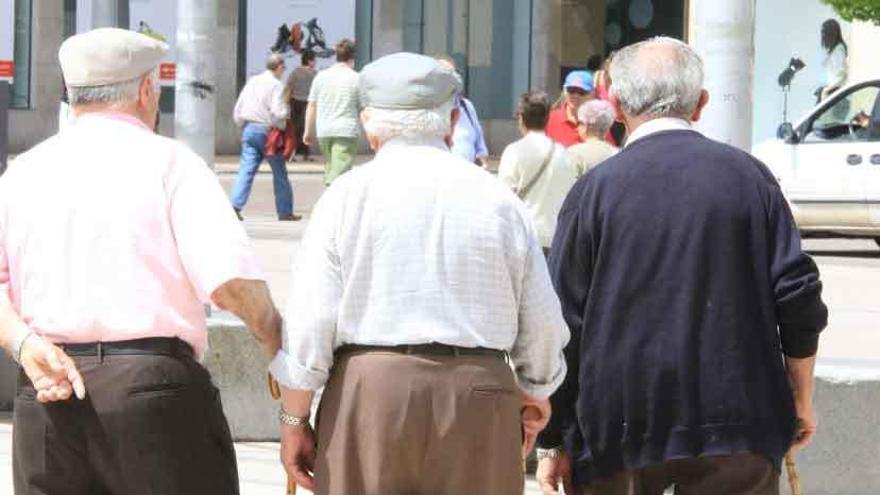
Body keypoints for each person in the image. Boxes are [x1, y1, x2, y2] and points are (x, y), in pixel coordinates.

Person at [536, 37, 828, 495]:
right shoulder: (751, 179)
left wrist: (555, 441)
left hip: (618, 429)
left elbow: (561, 322)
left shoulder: (595, 192)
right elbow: (798, 296)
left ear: (616, 103)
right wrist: (801, 396)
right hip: (739, 422)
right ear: (701, 103)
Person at [270, 52, 569, 495]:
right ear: (450, 122)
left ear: (369, 125)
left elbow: (311, 321)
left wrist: (295, 418)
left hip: (370, 393)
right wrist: (537, 390)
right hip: (478, 392)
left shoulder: (346, 197)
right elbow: (541, 320)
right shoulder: (499, 200)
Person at [0, 27, 283, 495]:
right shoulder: (172, 163)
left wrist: (26, 345)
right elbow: (229, 282)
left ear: (72, 94)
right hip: (154, 393)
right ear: (146, 90)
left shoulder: (23, 172)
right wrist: (273, 335)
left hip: (48, 387)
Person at [498, 91, 577, 253]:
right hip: (557, 238)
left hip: (524, 237)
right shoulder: (565, 154)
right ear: (547, 118)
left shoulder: (514, 151)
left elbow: (504, 198)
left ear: (520, 117)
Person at [231, 53, 299, 221]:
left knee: (246, 170)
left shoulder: (252, 81)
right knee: (279, 173)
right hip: (269, 133)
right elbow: (278, 112)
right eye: (283, 67)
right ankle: (285, 211)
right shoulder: (277, 85)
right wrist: (285, 120)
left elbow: (238, 109)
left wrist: (242, 125)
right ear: (279, 67)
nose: (284, 70)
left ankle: (235, 206)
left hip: (249, 129)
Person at [303, 38, 361, 185]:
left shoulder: (321, 76)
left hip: (324, 131)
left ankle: (334, 201)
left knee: (331, 168)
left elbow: (311, 105)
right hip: (346, 131)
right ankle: (333, 205)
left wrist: (307, 131)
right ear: (352, 57)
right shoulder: (356, 78)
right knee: (339, 176)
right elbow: (364, 107)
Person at [438, 57, 490, 167]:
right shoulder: (428, 108)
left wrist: (482, 159)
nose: (452, 78)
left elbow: (480, 144)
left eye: (454, 74)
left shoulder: (466, 106)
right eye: (445, 75)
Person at [567, 99, 618, 178]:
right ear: (607, 128)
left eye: (580, 123)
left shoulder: (572, 153)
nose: (577, 128)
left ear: (586, 126)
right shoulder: (617, 153)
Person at [284, 49, 317, 162]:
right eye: (314, 60)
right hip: (308, 104)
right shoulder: (314, 74)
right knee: (305, 129)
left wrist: (285, 103)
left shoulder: (295, 72)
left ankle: (293, 153)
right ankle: (305, 154)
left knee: (295, 130)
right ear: (310, 61)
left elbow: (288, 88)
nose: (315, 62)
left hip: (295, 103)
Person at [546, 70, 594, 147]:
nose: (576, 96)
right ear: (564, 91)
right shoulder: (550, 119)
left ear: (592, 94)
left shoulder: (598, 121)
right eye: (571, 90)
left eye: (582, 92)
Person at [817, 18, 847, 103]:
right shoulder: (833, 50)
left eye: (824, 31)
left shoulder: (839, 49)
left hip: (834, 92)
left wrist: (826, 90)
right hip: (831, 90)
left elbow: (843, 74)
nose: (822, 34)